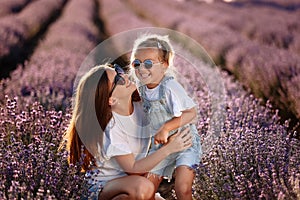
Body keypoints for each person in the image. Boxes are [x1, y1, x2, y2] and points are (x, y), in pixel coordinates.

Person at [60, 64, 192, 200]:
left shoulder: (140, 107)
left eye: (119, 71)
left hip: (132, 183)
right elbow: (134, 169)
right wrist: (168, 149)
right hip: (104, 188)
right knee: (143, 187)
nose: (124, 75)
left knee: (145, 188)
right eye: (118, 80)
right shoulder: (112, 128)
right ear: (111, 100)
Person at [130, 34, 202, 200]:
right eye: (136, 63)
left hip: (184, 142)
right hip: (161, 147)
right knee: (146, 190)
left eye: (148, 63)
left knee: (182, 189)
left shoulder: (170, 87)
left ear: (164, 65)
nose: (141, 68)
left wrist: (166, 128)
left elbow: (191, 113)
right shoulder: (140, 89)